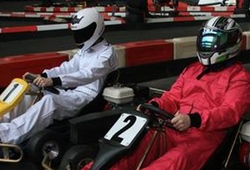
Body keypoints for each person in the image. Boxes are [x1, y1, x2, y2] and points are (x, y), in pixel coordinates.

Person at [82, 16, 250, 170]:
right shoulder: (192, 70)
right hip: (172, 126)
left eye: (213, 41)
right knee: (130, 150)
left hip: (203, 136)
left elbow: (229, 112)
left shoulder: (239, 78)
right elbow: (173, 97)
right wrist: (155, 105)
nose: (207, 45)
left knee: (168, 164)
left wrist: (193, 119)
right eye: (205, 40)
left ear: (230, 43)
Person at [0, 7, 118, 144]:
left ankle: (7, 135)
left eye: (83, 33)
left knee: (49, 101)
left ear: (95, 29)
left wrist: (53, 81)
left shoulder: (107, 54)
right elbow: (67, 68)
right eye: (78, 34)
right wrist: (42, 75)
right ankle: (3, 119)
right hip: (72, 92)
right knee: (30, 90)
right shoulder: (86, 51)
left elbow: (87, 75)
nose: (80, 37)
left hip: (87, 98)